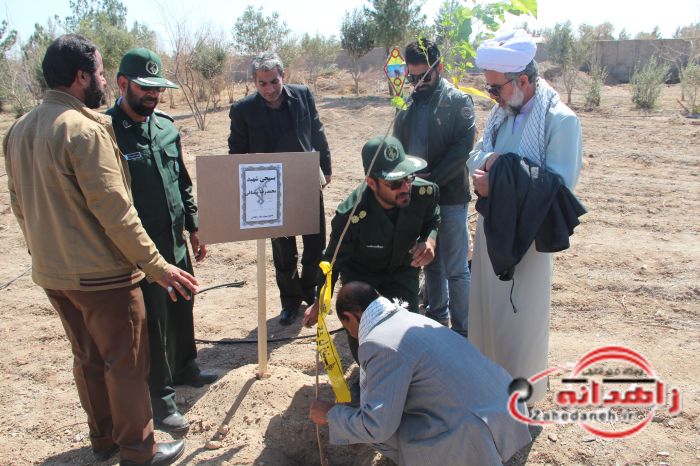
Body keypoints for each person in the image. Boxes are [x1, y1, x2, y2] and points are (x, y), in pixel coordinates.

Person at [3, 35, 193, 465]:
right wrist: (158, 267)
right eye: (102, 73)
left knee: (87, 358)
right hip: (104, 279)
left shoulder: (20, 129)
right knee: (125, 364)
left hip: (54, 275)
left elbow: (19, 206)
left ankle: (104, 440)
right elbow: (117, 214)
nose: (105, 81)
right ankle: (139, 451)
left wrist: (41, 255)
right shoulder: (85, 131)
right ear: (81, 77)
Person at [467, 30, 583, 403]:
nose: (492, 96)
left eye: (496, 88)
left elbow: (556, 191)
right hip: (491, 232)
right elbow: (475, 157)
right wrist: (493, 163)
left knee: (522, 325)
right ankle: (489, 389)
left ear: (522, 81)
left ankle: (522, 402)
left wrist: (498, 181)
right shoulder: (501, 114)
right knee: (487, 316)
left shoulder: (560, 121)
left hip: (528, 240)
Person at [106, 48, 218, 434]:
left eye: (158, 89)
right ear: (123, 84)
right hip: (141, 252)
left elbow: (182, 181)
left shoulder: (167, 128)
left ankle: (186, 368)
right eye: (145, 88)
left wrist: (194, 226)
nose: (153, 95)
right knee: (153, 323)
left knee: (183, 304)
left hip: (175, 241)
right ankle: (162, 400)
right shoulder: (106, 132)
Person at [309, 282, 532, 466]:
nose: (353, 335)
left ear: (351, 317)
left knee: (382, 429)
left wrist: (331, 415)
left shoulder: (378, 343)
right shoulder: (411, 318)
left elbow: (376, 426)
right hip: (504, 409)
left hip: (473, 431)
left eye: (347, 328)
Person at [303, 136, 439, 362]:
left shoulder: (424, 194)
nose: (405, 187)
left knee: (408, 331)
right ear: (372, 183)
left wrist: (429, 240)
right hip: (362, 276)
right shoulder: (352, 215)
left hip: (402, 271)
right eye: (395, 183)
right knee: (363, 332)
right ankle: (367, 372)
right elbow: (332, 260)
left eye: (408, 177)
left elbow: (433, 219)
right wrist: (320, 302)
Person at [228, 51, 332, 326]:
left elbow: (317, 131)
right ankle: (290, 301)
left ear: (283, 76)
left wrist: (326, 166)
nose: (269, 89)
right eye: (262, 83)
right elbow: (236, 152)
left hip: (305, 179)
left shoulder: (303, 95)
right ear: (254, 82)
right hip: (268, 188)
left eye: (274, 81)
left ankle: (310, 293)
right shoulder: (242, 110)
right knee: (283, 250)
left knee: (315, 243)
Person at [393, 38, 476, 336]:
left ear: (439, 68)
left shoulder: (458, 102)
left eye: (424, 76)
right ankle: (438, 323)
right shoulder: (407, 106)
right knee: (431, 264)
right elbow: (398, 149)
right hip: (419, 199)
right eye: (412, 77)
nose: (418, 83)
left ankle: (463, 332)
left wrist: (430, 181)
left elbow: (462, 151)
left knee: (456, 268)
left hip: (450, 197)